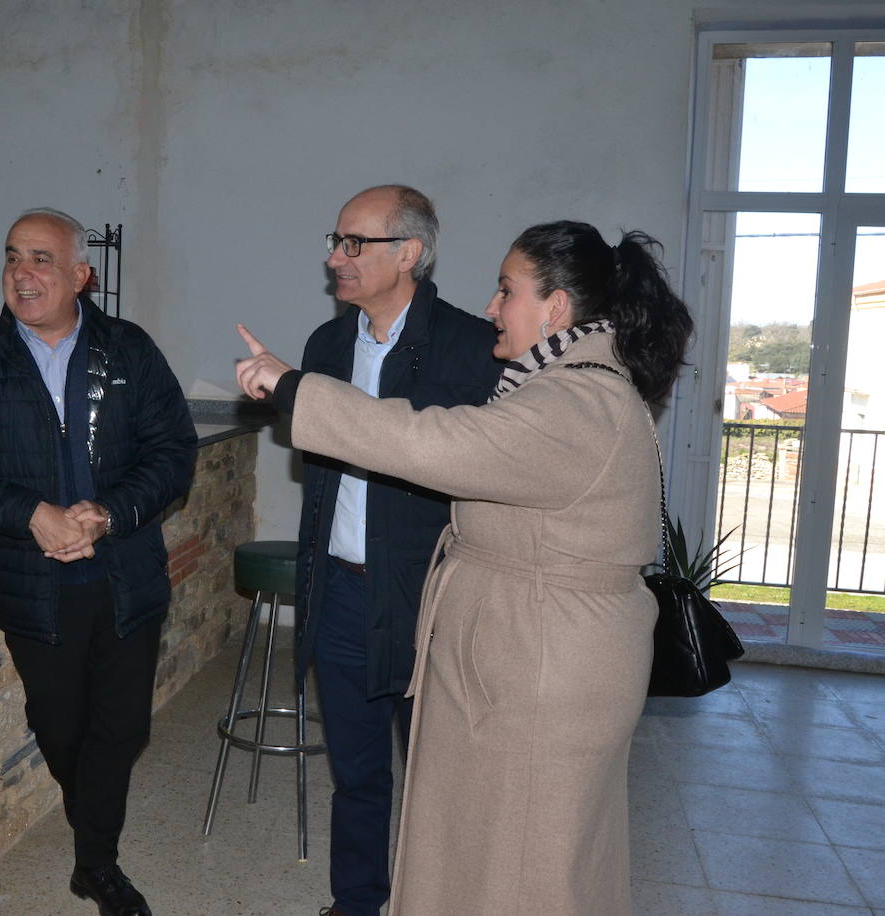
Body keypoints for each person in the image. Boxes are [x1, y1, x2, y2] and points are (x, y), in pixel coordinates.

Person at [236, 220, 693, 915]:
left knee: (525, 865)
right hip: (539, 649)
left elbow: (434, 441)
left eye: (507, 291)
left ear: (557, 308)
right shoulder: (569, 385)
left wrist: (296, 389)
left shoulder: (576, 401)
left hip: (545, 667)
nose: (491, 307)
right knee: (513, 853)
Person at [0, 207, 196, 916]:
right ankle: (97, 841)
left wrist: (108, 512)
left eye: (41, 258)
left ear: (81, 275)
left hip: (124, 572)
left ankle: (95, 863)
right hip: (33, 582)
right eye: (13, 256)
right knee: (60, 725)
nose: (22, 272)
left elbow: (172, 453)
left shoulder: (129, 350)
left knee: (124, 727)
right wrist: (31, 514)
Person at [297, 185, 499, 916]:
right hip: (341, 596)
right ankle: (356, 904)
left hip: (432, 601)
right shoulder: (326, 346)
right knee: (356, 774)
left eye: (355, 243)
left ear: (407, 253)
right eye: (336, 240)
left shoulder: (473, 350)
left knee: (440, 780)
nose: (335, 258)